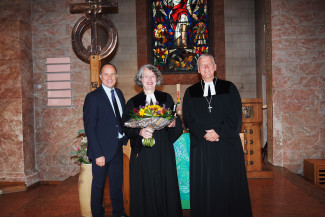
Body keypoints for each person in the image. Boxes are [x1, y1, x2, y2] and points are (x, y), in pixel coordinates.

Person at [182, 53, 253, 217]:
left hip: (226, 144)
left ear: (215, 67)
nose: (206, 68)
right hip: (203, 146)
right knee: (206, 184)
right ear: (198, 70)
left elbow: (236, 116)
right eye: (202, 65)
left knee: (227, 183)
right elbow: (188, 118)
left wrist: (219, 132)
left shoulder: (229, 88)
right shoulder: (191, 92)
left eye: (209, 65)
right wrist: (203, 134)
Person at [122, 64, 183, 217]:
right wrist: (139, 131)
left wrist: (173, 123)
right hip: (143, 153)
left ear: (157, 79)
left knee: (165, 186)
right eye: (146, 76)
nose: (150, 79)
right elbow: (126, 126)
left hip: (163, 150)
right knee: (145, 187)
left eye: (153, 76)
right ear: (140, 80)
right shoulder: (133, 102)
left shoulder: (166, 99)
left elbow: (176, 120)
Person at [83, 64, 128, 217]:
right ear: (100, 77)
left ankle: (119, 213)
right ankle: (97, 214)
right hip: (101, 151)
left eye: (113, 74)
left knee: (116, 185)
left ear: (117, 76)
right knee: (98, 186)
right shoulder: (93, 97)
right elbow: (90, 127)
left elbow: (122, 119)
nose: (110, 77)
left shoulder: (120, 94)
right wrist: (97, 153)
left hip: (116, 147)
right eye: (106, 74)